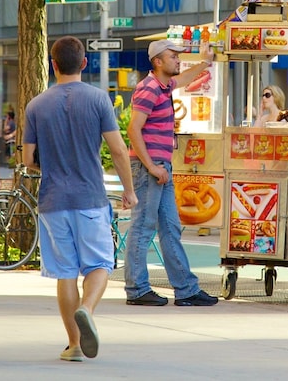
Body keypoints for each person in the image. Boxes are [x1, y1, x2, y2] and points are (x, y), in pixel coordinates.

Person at [23, 36, 136, 362]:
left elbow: (28, 159)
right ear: (84, 63)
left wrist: (52, 162)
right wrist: (129, 190)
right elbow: (118, 149)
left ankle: (73, 345)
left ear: (53, 65)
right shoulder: (99, 99)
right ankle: (87, 308)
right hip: (90, 198)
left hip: (52, 201)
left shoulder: (36, 105)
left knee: (65, 272)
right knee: (100, 264)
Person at [124, 39, 218, 307]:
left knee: (170, 227)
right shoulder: (149, 88)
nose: (178, 60)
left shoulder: (163, 86)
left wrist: (205, 62)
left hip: (160, 167)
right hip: (150, 167)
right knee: (143, 227)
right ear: (158, 61)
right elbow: (133, 129)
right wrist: (152, 166)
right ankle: (136, 289)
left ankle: (186, 290)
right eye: (173, 56)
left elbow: (185, 78)